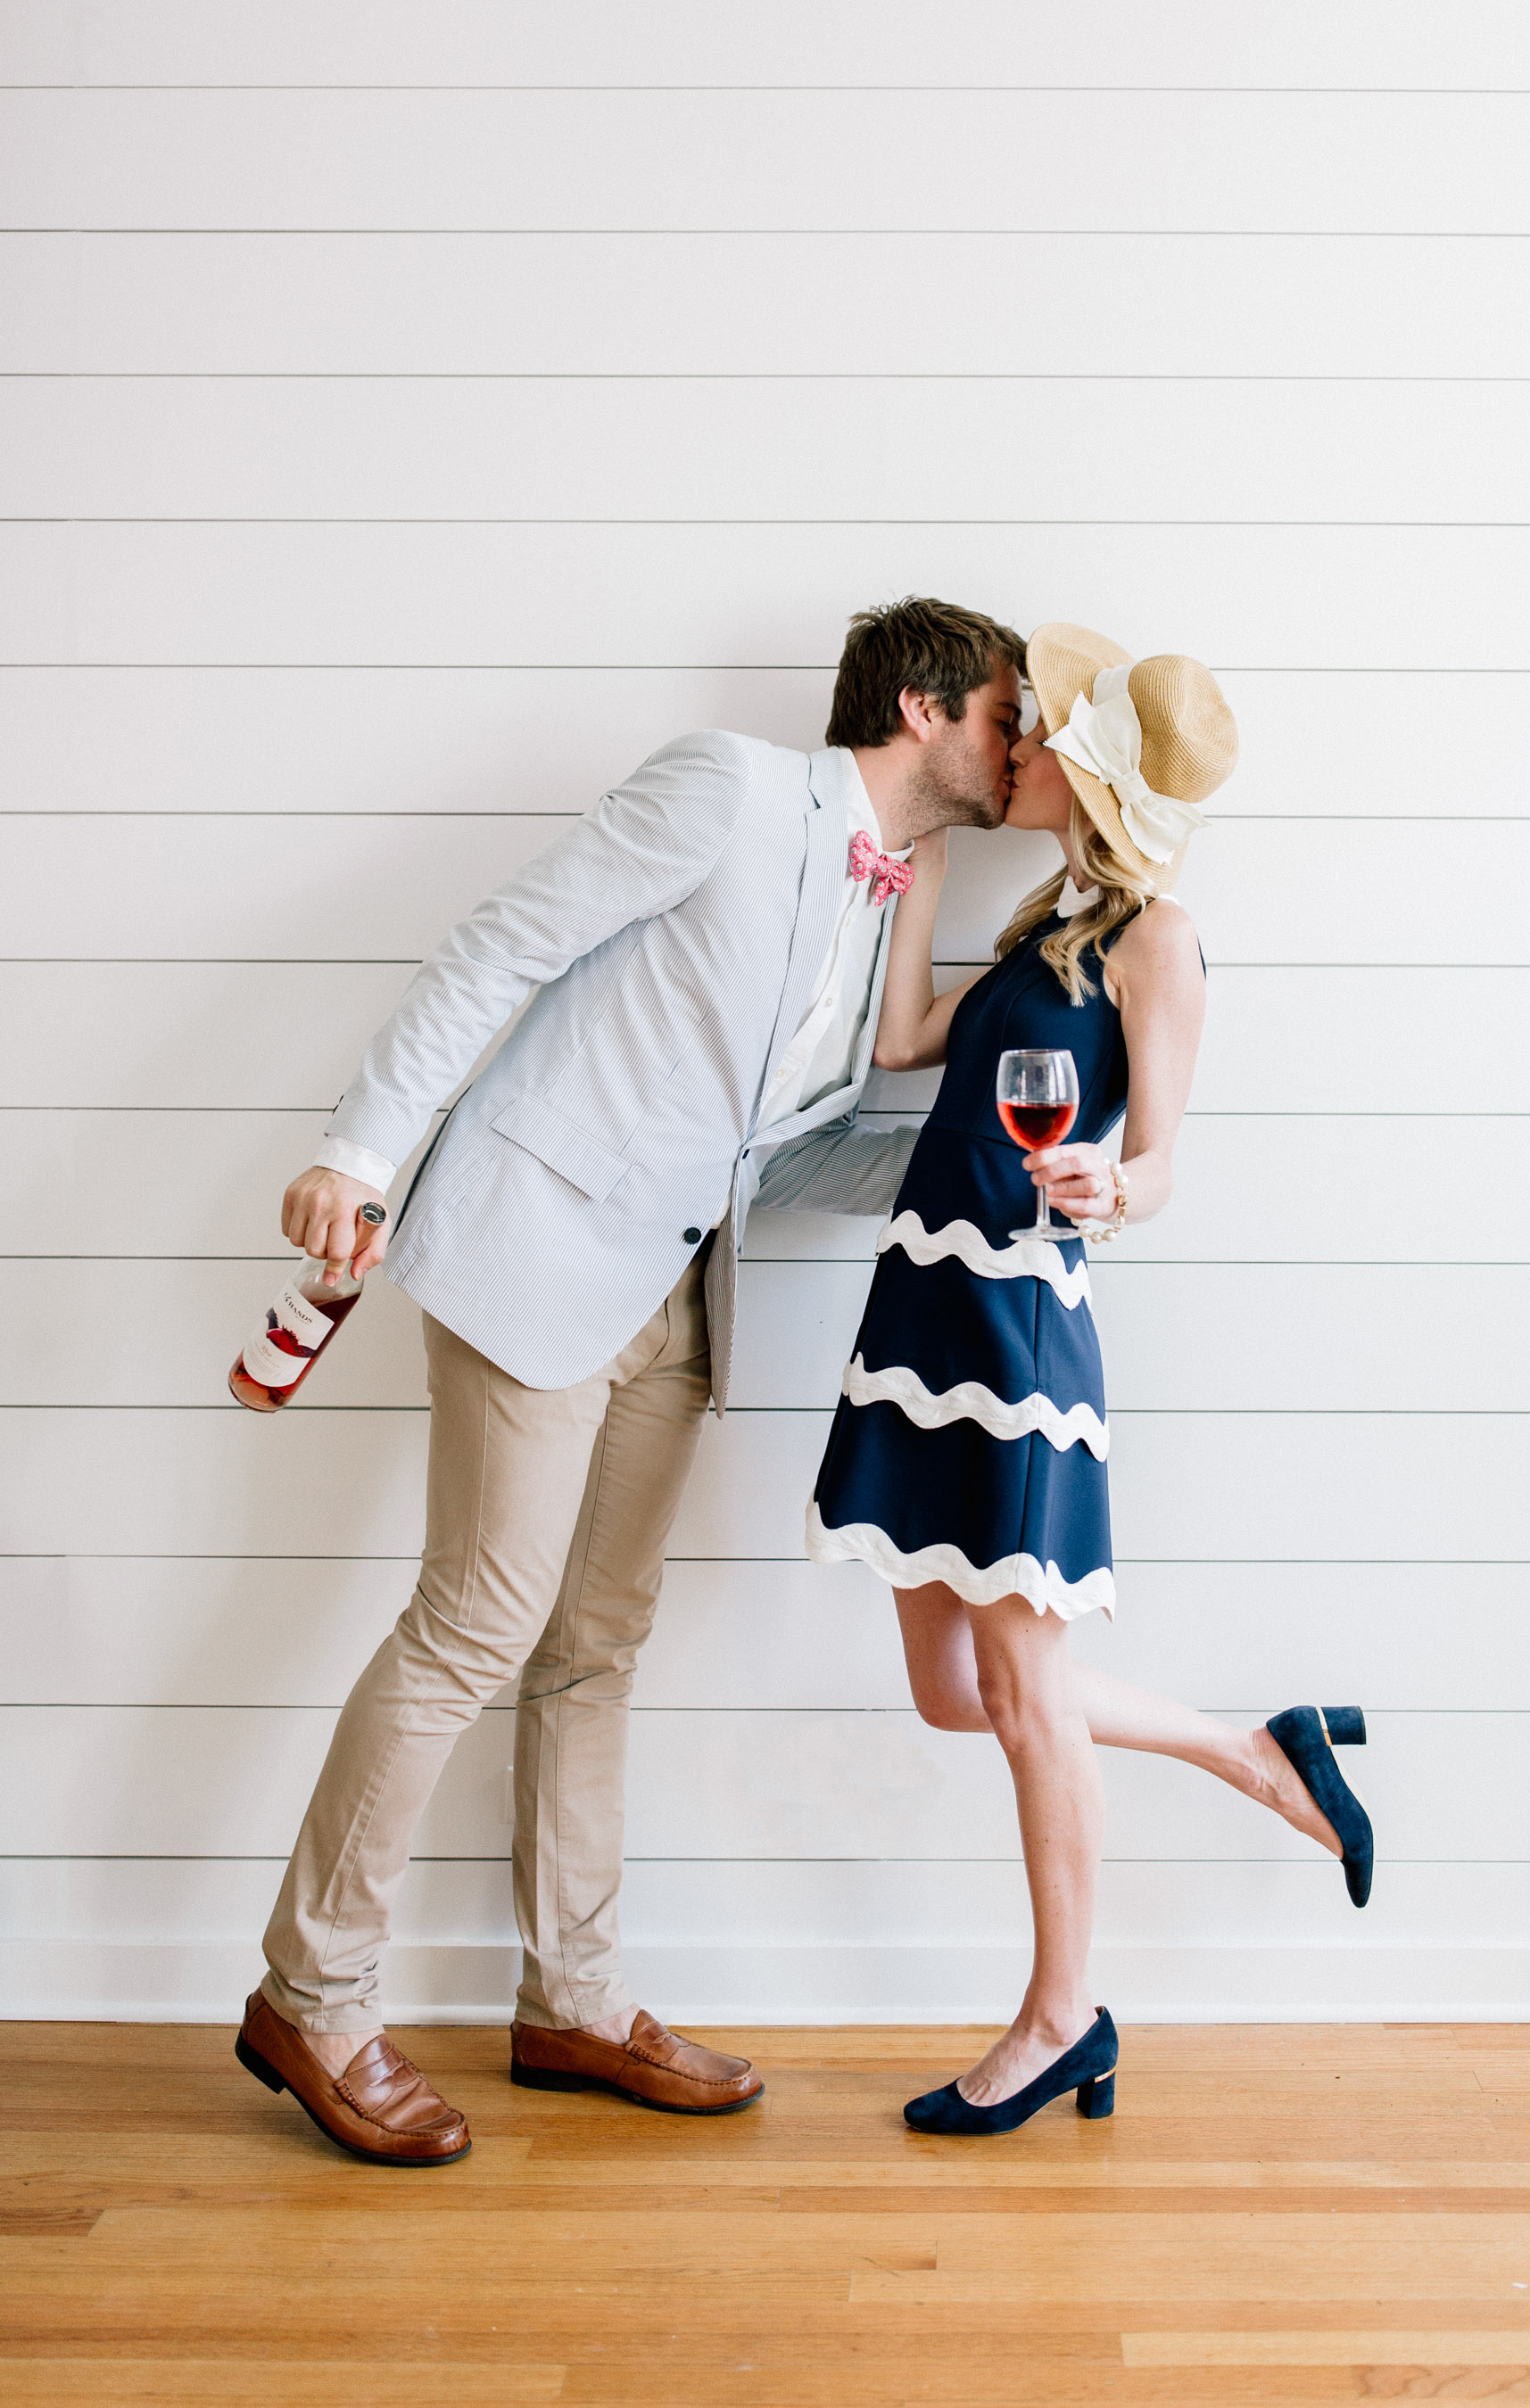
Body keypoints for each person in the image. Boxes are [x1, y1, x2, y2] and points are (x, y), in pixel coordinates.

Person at [233, 597, 1027, 2164]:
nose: (1021, 749)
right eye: (1010, 714)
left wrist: (997, 1156)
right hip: (533, 1253)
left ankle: (574, 2001)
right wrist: (358, 1152)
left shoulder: (886, 899)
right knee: (475, 1625)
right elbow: (505, 943)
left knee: (596, 1646)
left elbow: (784, 1139)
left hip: (678, 1289)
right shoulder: (729, 789)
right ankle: (310, 1994)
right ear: (929, 706)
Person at [807, 623, 1374, 2136]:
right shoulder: (1041, 926)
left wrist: (1120, 1191)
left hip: (1013, 1329)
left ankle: (1062, 2014)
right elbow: (904, 1036)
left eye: (1045, 734)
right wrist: (921, 849)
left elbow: (1162, 1160)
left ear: (1096, 775)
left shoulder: (1157, 939)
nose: (1023, 745)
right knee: (955, 1692)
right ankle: (1250, 1747)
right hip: (928, 1309)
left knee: (1024, 1691)